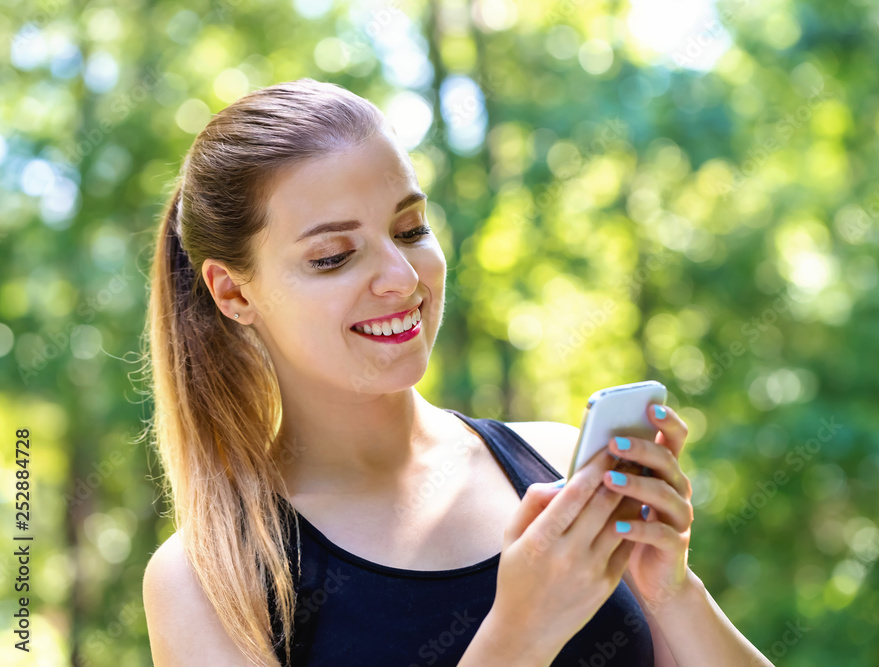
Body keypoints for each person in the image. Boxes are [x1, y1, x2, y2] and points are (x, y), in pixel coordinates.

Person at [141, 78, 773, 666]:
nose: (402, 277)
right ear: (233, 293)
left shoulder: (553, 465)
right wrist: (520, 633)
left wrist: (670, 591)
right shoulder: (206, 580)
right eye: (333, 257)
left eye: (410, 228)